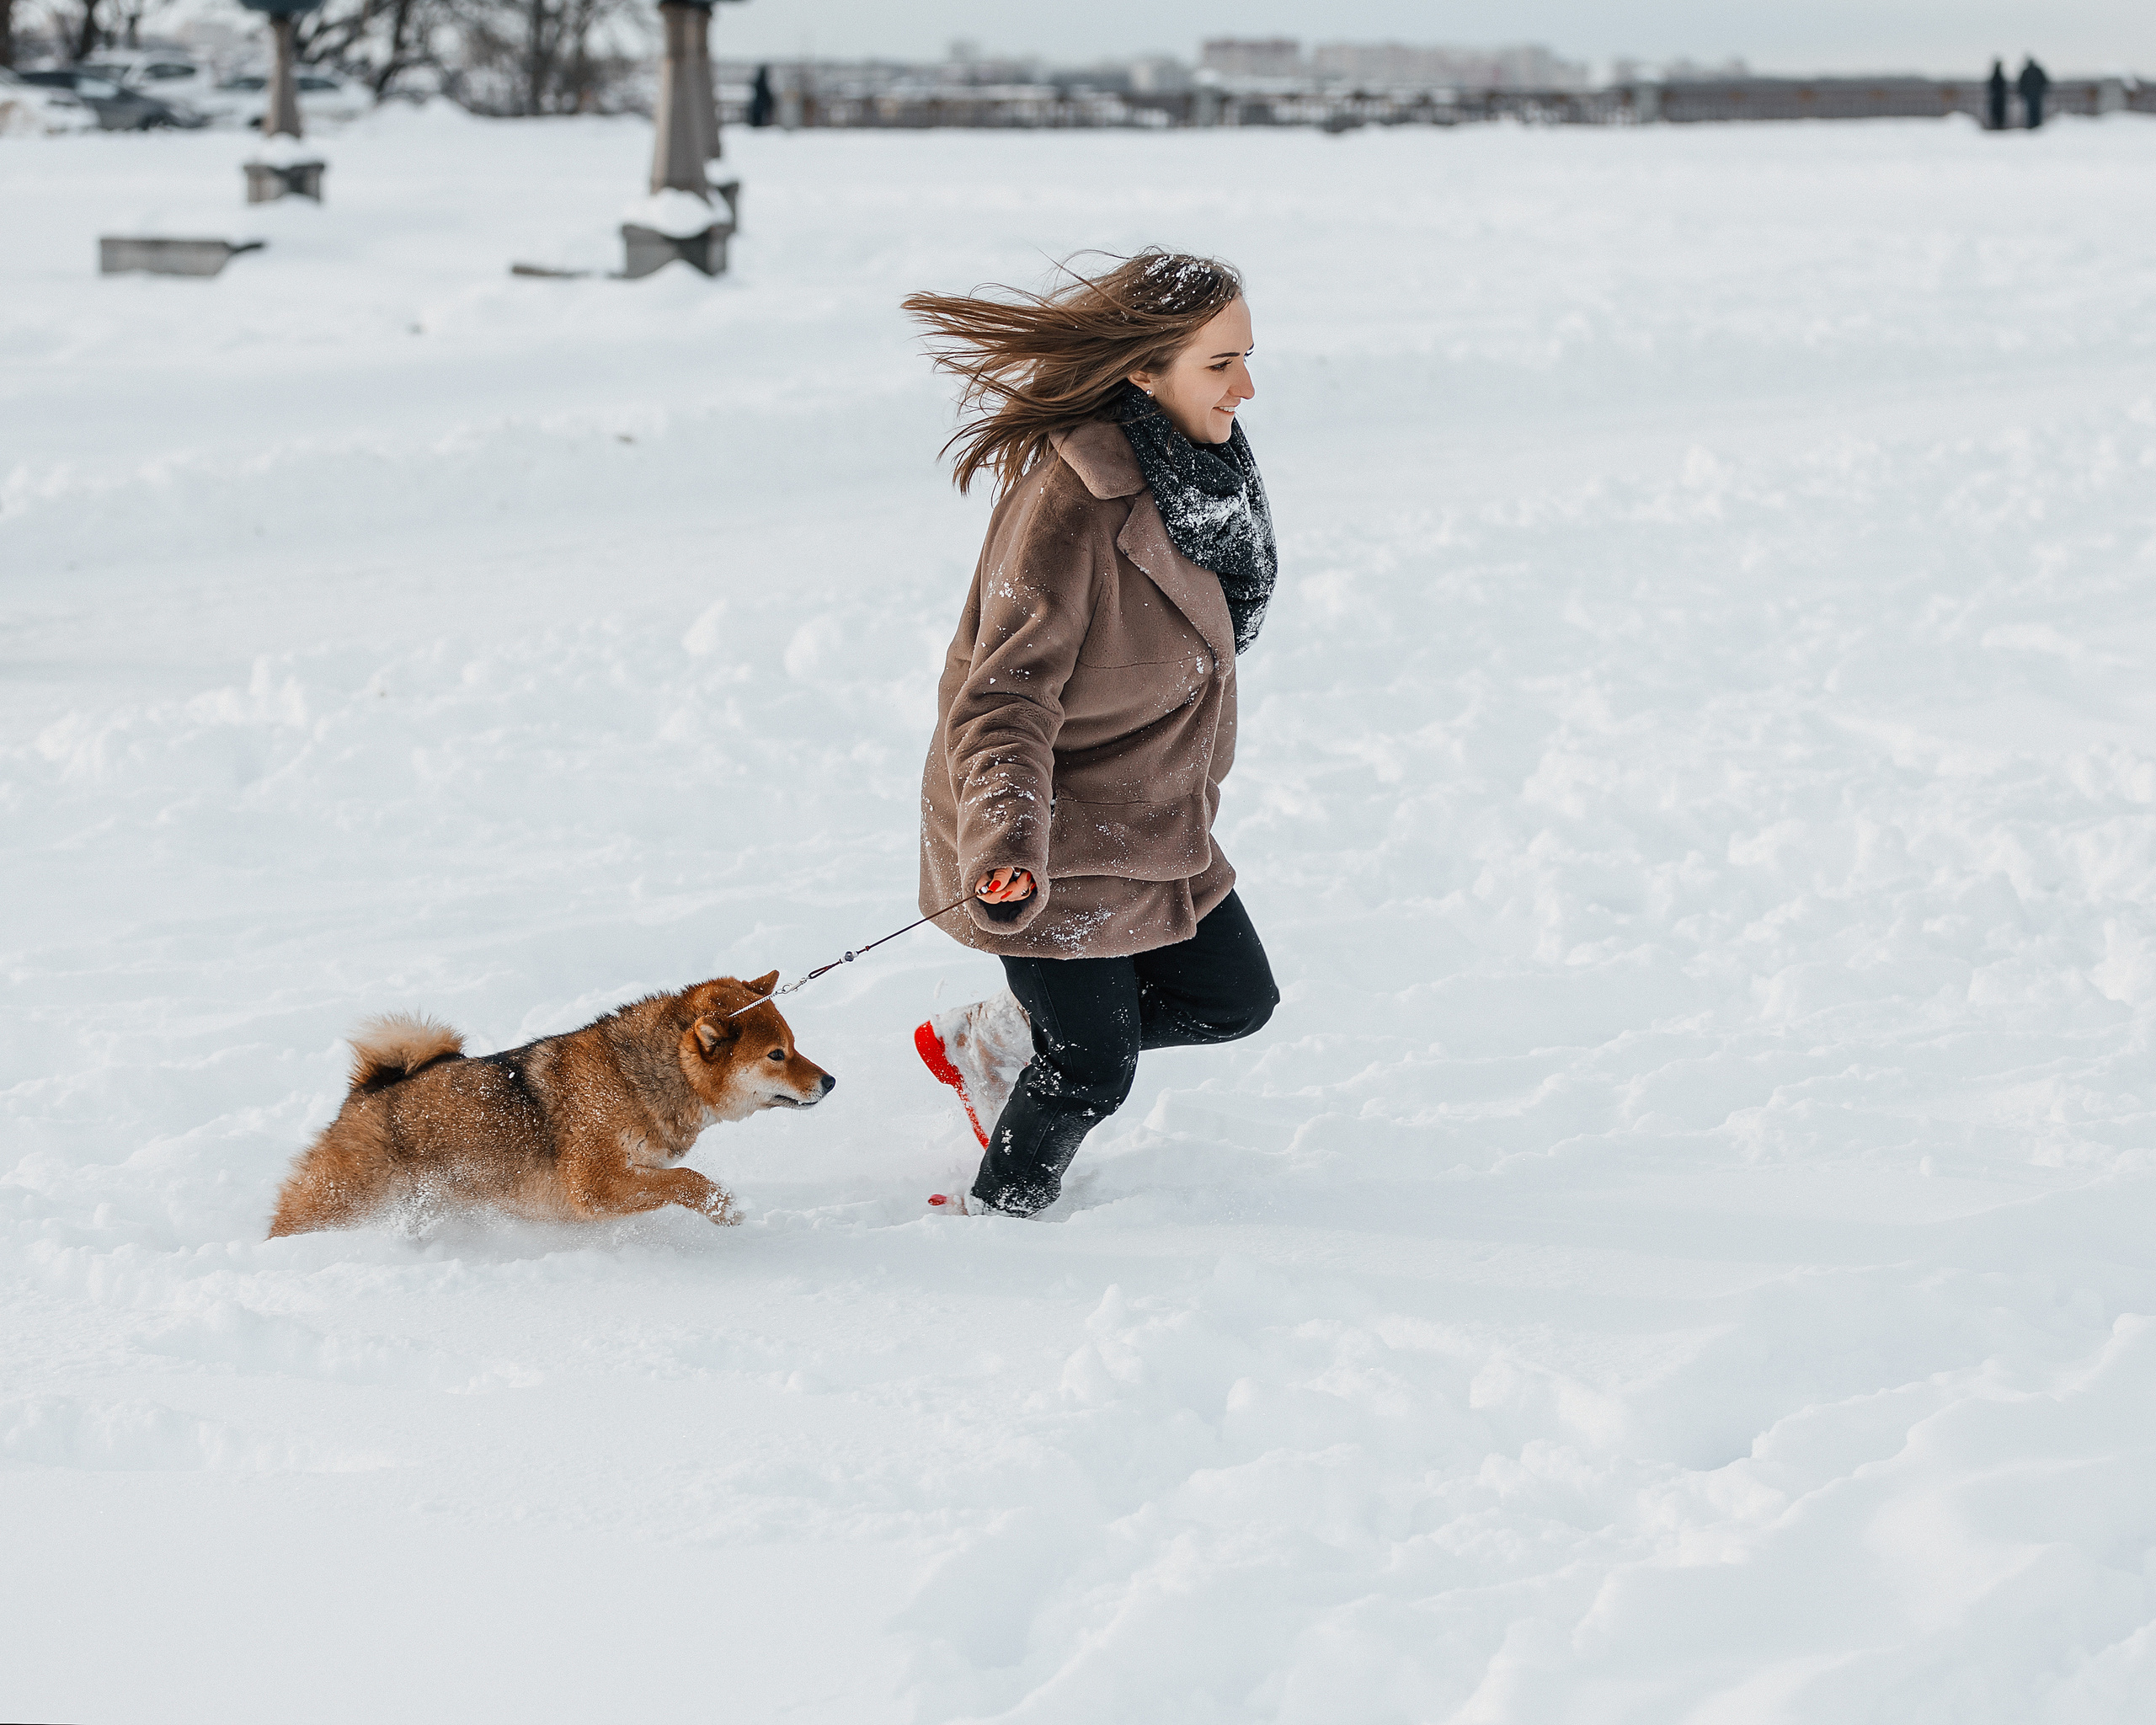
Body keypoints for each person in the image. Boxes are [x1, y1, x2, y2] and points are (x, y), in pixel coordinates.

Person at [901, 252, 1281, 1217]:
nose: (1245, 385)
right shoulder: (1069, 506)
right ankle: (998, 1223)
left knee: (1231, 998)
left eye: (1245, 357)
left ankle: (993, 1039)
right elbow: (999, 704)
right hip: (1046, 830)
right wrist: (1005, 845)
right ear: (1144, 372)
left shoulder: (1201, 475)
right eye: (1220, 364)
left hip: (1151, 817)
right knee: (1088, 1069)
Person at [2018, 56, 2050, 129]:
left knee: (2031, 110)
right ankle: (2036, 125)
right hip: (2035, 94)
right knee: (2035, 110)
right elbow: (2045, 81)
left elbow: (2021, 84)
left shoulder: (2026, 72)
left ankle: (2033, 125)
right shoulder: (2037, 71)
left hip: (2032, 94)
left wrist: (2023, 92)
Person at [1986, 59, 2009, 131]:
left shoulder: (1995, 75)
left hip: (1996, 97)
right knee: (1999, 113)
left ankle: (1996, 127)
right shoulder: (1999, 75)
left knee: (1996, 113)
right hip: (1999, 98)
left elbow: (1991, 86)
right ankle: (1999, 127)